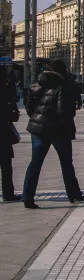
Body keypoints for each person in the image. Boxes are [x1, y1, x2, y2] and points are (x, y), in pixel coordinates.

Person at [22, 60, 84, 209]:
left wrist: (38, 119)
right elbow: (62, 112)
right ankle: (74, 194)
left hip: (38, 130)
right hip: (59, 131)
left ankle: (27, 197)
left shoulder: (35, 85)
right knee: (66, 163)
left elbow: (29, 107)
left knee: (35, 163)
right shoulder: (61, 87)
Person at [1, 67, 21, 202]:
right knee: (6, 165)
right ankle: (8, 193)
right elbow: (12, 114)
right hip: (2, 132)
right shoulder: (5, 90)